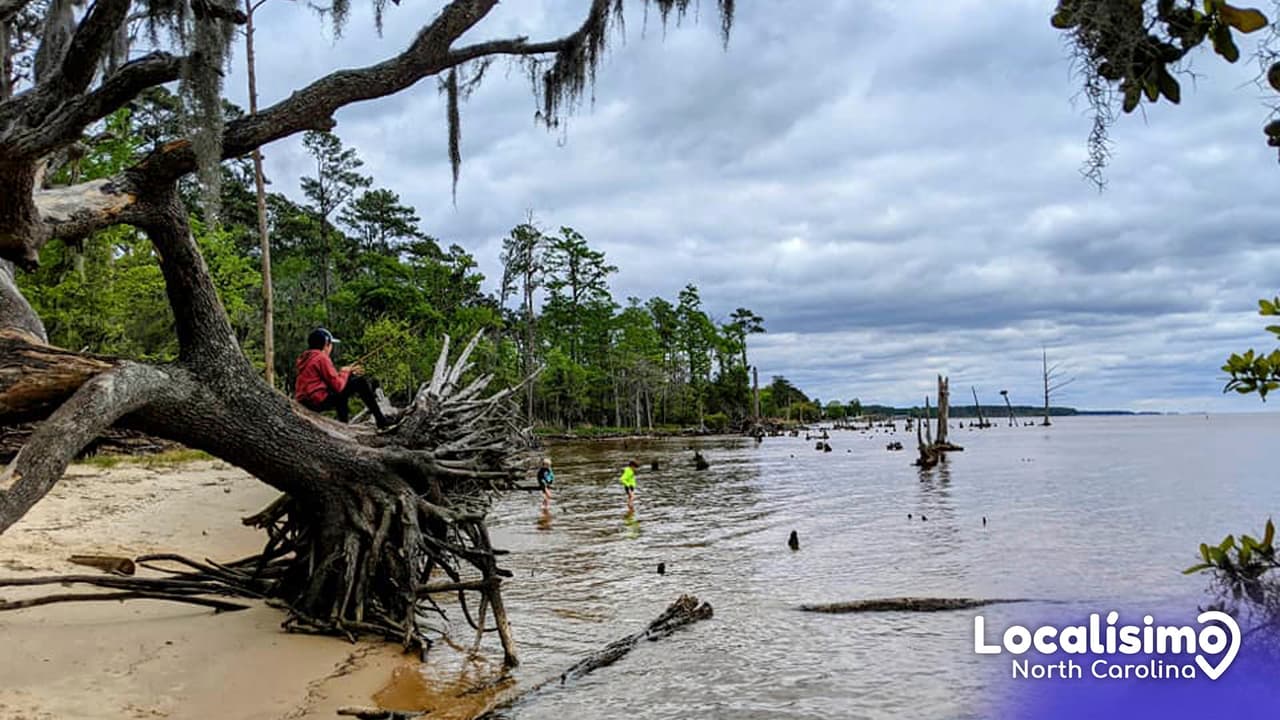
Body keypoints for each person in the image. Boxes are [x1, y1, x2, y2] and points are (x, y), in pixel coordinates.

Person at [294, 327, 394, 428]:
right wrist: (345, 372)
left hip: (306, 401)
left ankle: (344, 423)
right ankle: (381, 420)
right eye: (331, 344)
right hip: (317, 401)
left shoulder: (306, 358)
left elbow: (326, 381)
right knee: (360, 382)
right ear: (326, 344)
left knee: (345, 386)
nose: (331, 348)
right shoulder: (321, 357)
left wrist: (347, 373)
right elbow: (338, 386)